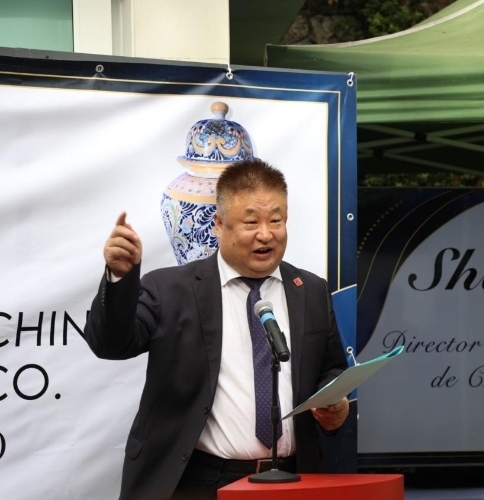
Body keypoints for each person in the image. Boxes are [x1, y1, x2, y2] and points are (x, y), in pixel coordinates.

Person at [84, 158, 350, 500]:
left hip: (292, 479)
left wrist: (335, 405)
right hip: (198, 481)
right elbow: (110, 344)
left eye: (276, 220)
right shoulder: (170, 289)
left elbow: (330, 368)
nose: (265, 234)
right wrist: (120, 279)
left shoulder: (310, 290)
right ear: (219, 225)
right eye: (251, 222)